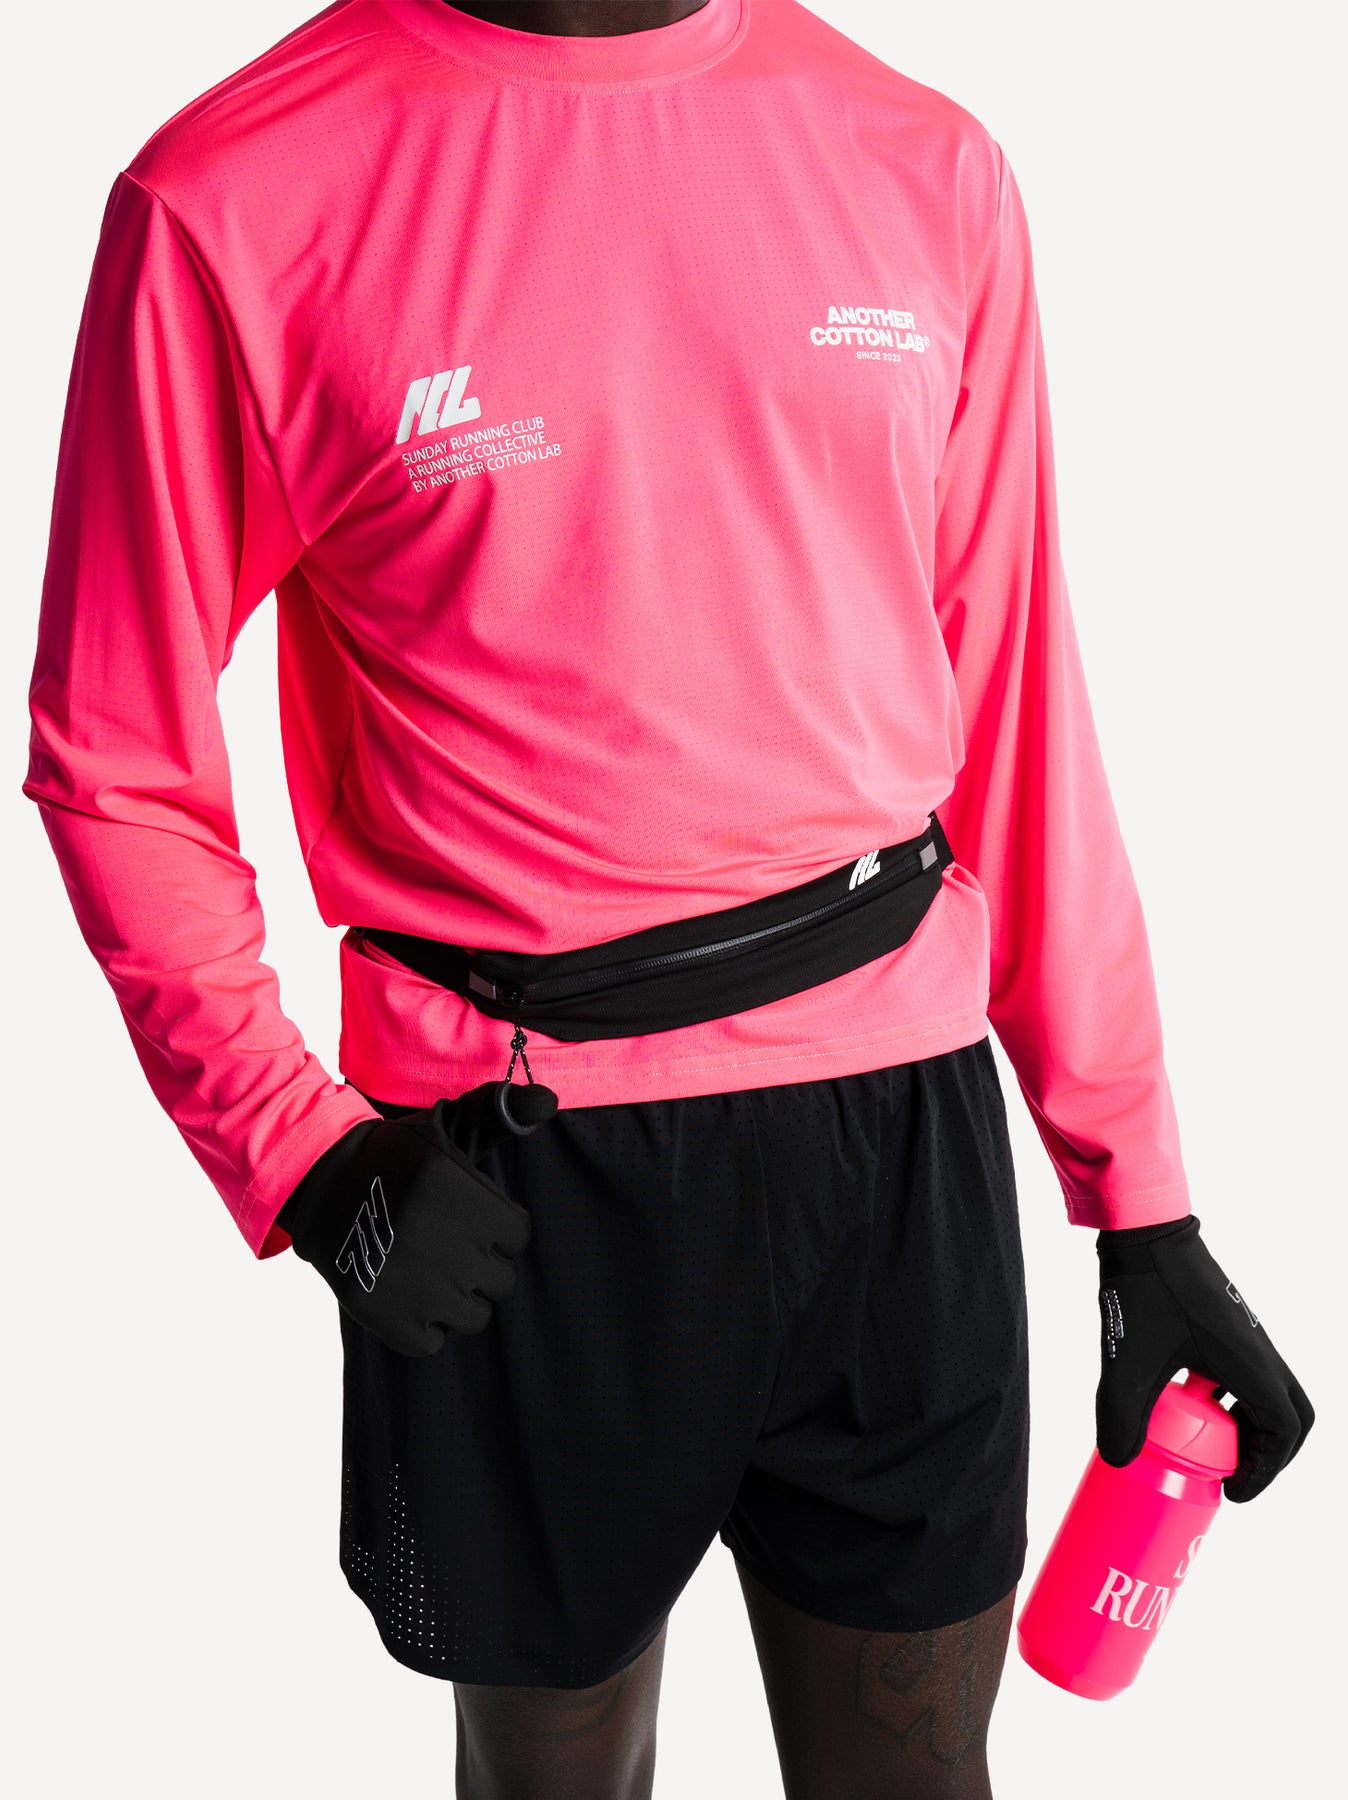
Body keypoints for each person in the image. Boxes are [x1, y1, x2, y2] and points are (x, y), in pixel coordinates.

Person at [24, 2, 1314, 1795]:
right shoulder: (233, 198)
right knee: (553, 1780)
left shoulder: (920, 160)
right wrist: (302, 1156)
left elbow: (1016, 711)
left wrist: (1142, 1202)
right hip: (512, 1174)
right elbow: (115, 755)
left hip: (896, 1148)